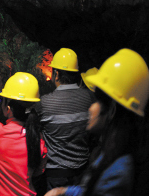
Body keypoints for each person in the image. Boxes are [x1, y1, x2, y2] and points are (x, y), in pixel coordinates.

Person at [45, 48, 149, 196]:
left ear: (111, 110)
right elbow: (91, 188)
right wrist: (63, 191)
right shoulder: (110, 153)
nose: (90, 107)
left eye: (96, 101)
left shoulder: (117, 173)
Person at [36, 48, 95, 191]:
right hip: (83, 171)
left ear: (56, 75)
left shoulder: (44, 103)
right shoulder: (90, 98)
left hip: (55, 174)